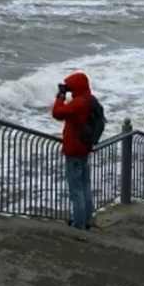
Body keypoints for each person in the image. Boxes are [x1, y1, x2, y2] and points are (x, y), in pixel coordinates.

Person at [52, 71, 96, 230]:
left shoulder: (79, 103)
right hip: (85, 148)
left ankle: (79, 225)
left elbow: (57, 113)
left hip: (75, 149)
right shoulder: (90, 100)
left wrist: (60, 97)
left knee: (76, 190)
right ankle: (86, 221)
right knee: (85, 187)